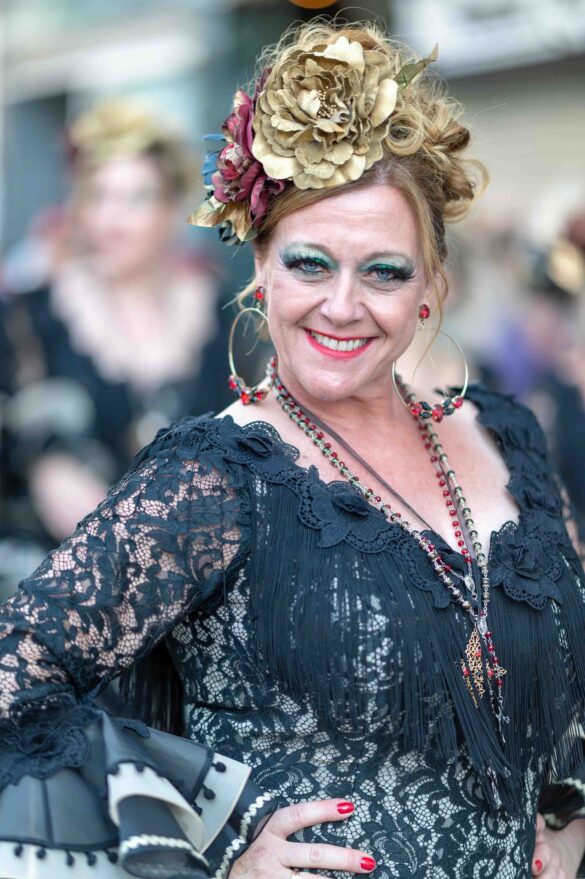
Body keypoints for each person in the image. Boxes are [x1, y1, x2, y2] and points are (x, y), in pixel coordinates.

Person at [0, 21, 584, 879]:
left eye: (383, 271)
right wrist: (207, 851)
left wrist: (572, 812)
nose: (341, 305)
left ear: (430, 285)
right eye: (310, 264)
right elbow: (17, 684)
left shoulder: (508, 434)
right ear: (261, 269)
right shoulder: (210, 477)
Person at [0, 100, 232, 593]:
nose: (112, 218)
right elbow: (26, 450)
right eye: (98, 196)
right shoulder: (30, 315)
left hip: (202, 582)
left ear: (173, 208)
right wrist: (41, 463)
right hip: (60, 583)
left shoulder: (218, 313)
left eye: (136, 197)